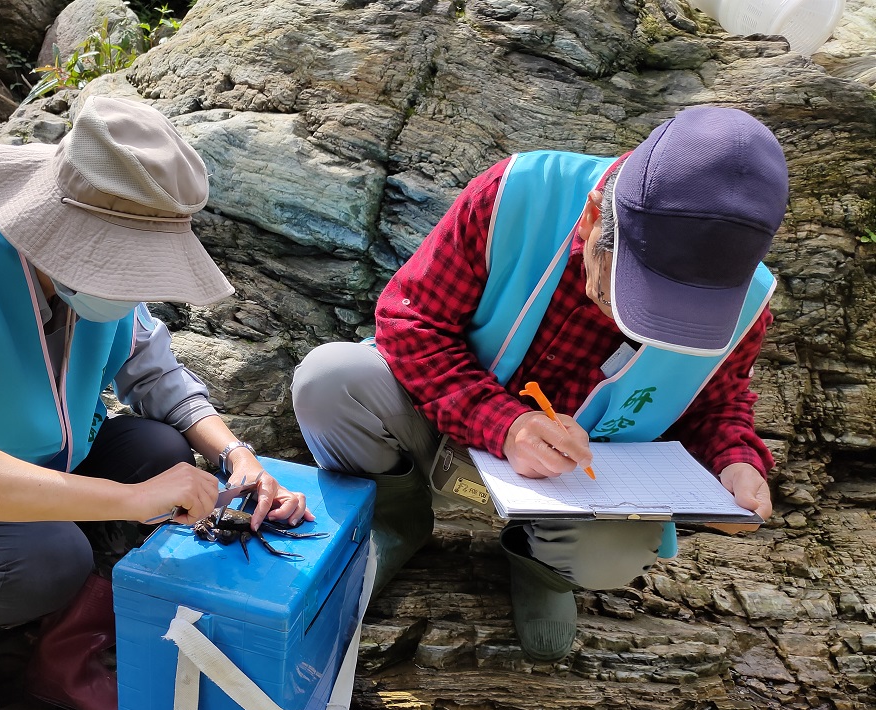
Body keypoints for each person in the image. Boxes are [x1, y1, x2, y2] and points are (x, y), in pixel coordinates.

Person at [0, 95, 310, 710]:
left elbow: (156, 372)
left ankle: (63, 654)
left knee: (160, 449)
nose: (136, 283)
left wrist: (236, 457)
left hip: (48, 464)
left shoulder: (88, 282)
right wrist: (131, 501)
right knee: (52, 555)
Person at [292, 106, 787, 662]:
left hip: (580, 482)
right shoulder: (517, 195)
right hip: (439, 423)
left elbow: (719, 406)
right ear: (594, 218)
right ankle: (395, 521)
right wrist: (505, 424)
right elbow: (410, 322)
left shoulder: (744, 303)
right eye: (632, 294)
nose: (635, 327)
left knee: (613, 559)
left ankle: (544, 570)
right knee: (330, 381)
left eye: (678, 314)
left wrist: (735, 460)